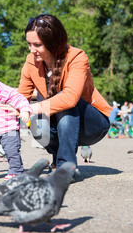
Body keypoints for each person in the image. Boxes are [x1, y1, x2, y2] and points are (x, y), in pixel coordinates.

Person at [11, 14, 111, 170]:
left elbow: (70, 98)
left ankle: (66, 167)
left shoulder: (77, 57)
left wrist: (30, 108)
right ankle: (59, 159)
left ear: (53, 42)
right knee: (37, 125)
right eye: (29, 44)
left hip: (92, 124)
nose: (32, 50)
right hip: (61, 124)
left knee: (65, 102)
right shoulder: (31, 61)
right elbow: (21, 97)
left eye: (37, 45)